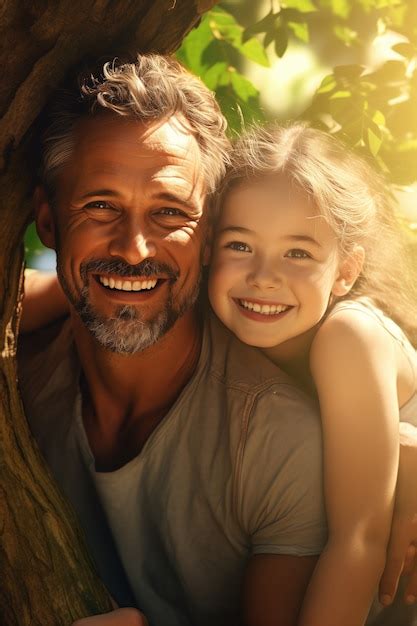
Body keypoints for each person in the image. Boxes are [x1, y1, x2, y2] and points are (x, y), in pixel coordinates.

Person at [17, 54, 417, 626]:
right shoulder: (33, 371)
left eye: (170, 212)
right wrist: (77, 282)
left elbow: (359, 542)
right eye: (100, 205)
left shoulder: (305, 408)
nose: (134, 248)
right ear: (49, 221)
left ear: (202, 241)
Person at [207, 122, 417, 626]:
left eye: (298, 253)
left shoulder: (348, 338)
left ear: (345, 271)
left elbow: (359, 541)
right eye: (238, 245)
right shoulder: (219, 320)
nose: (263, 276)